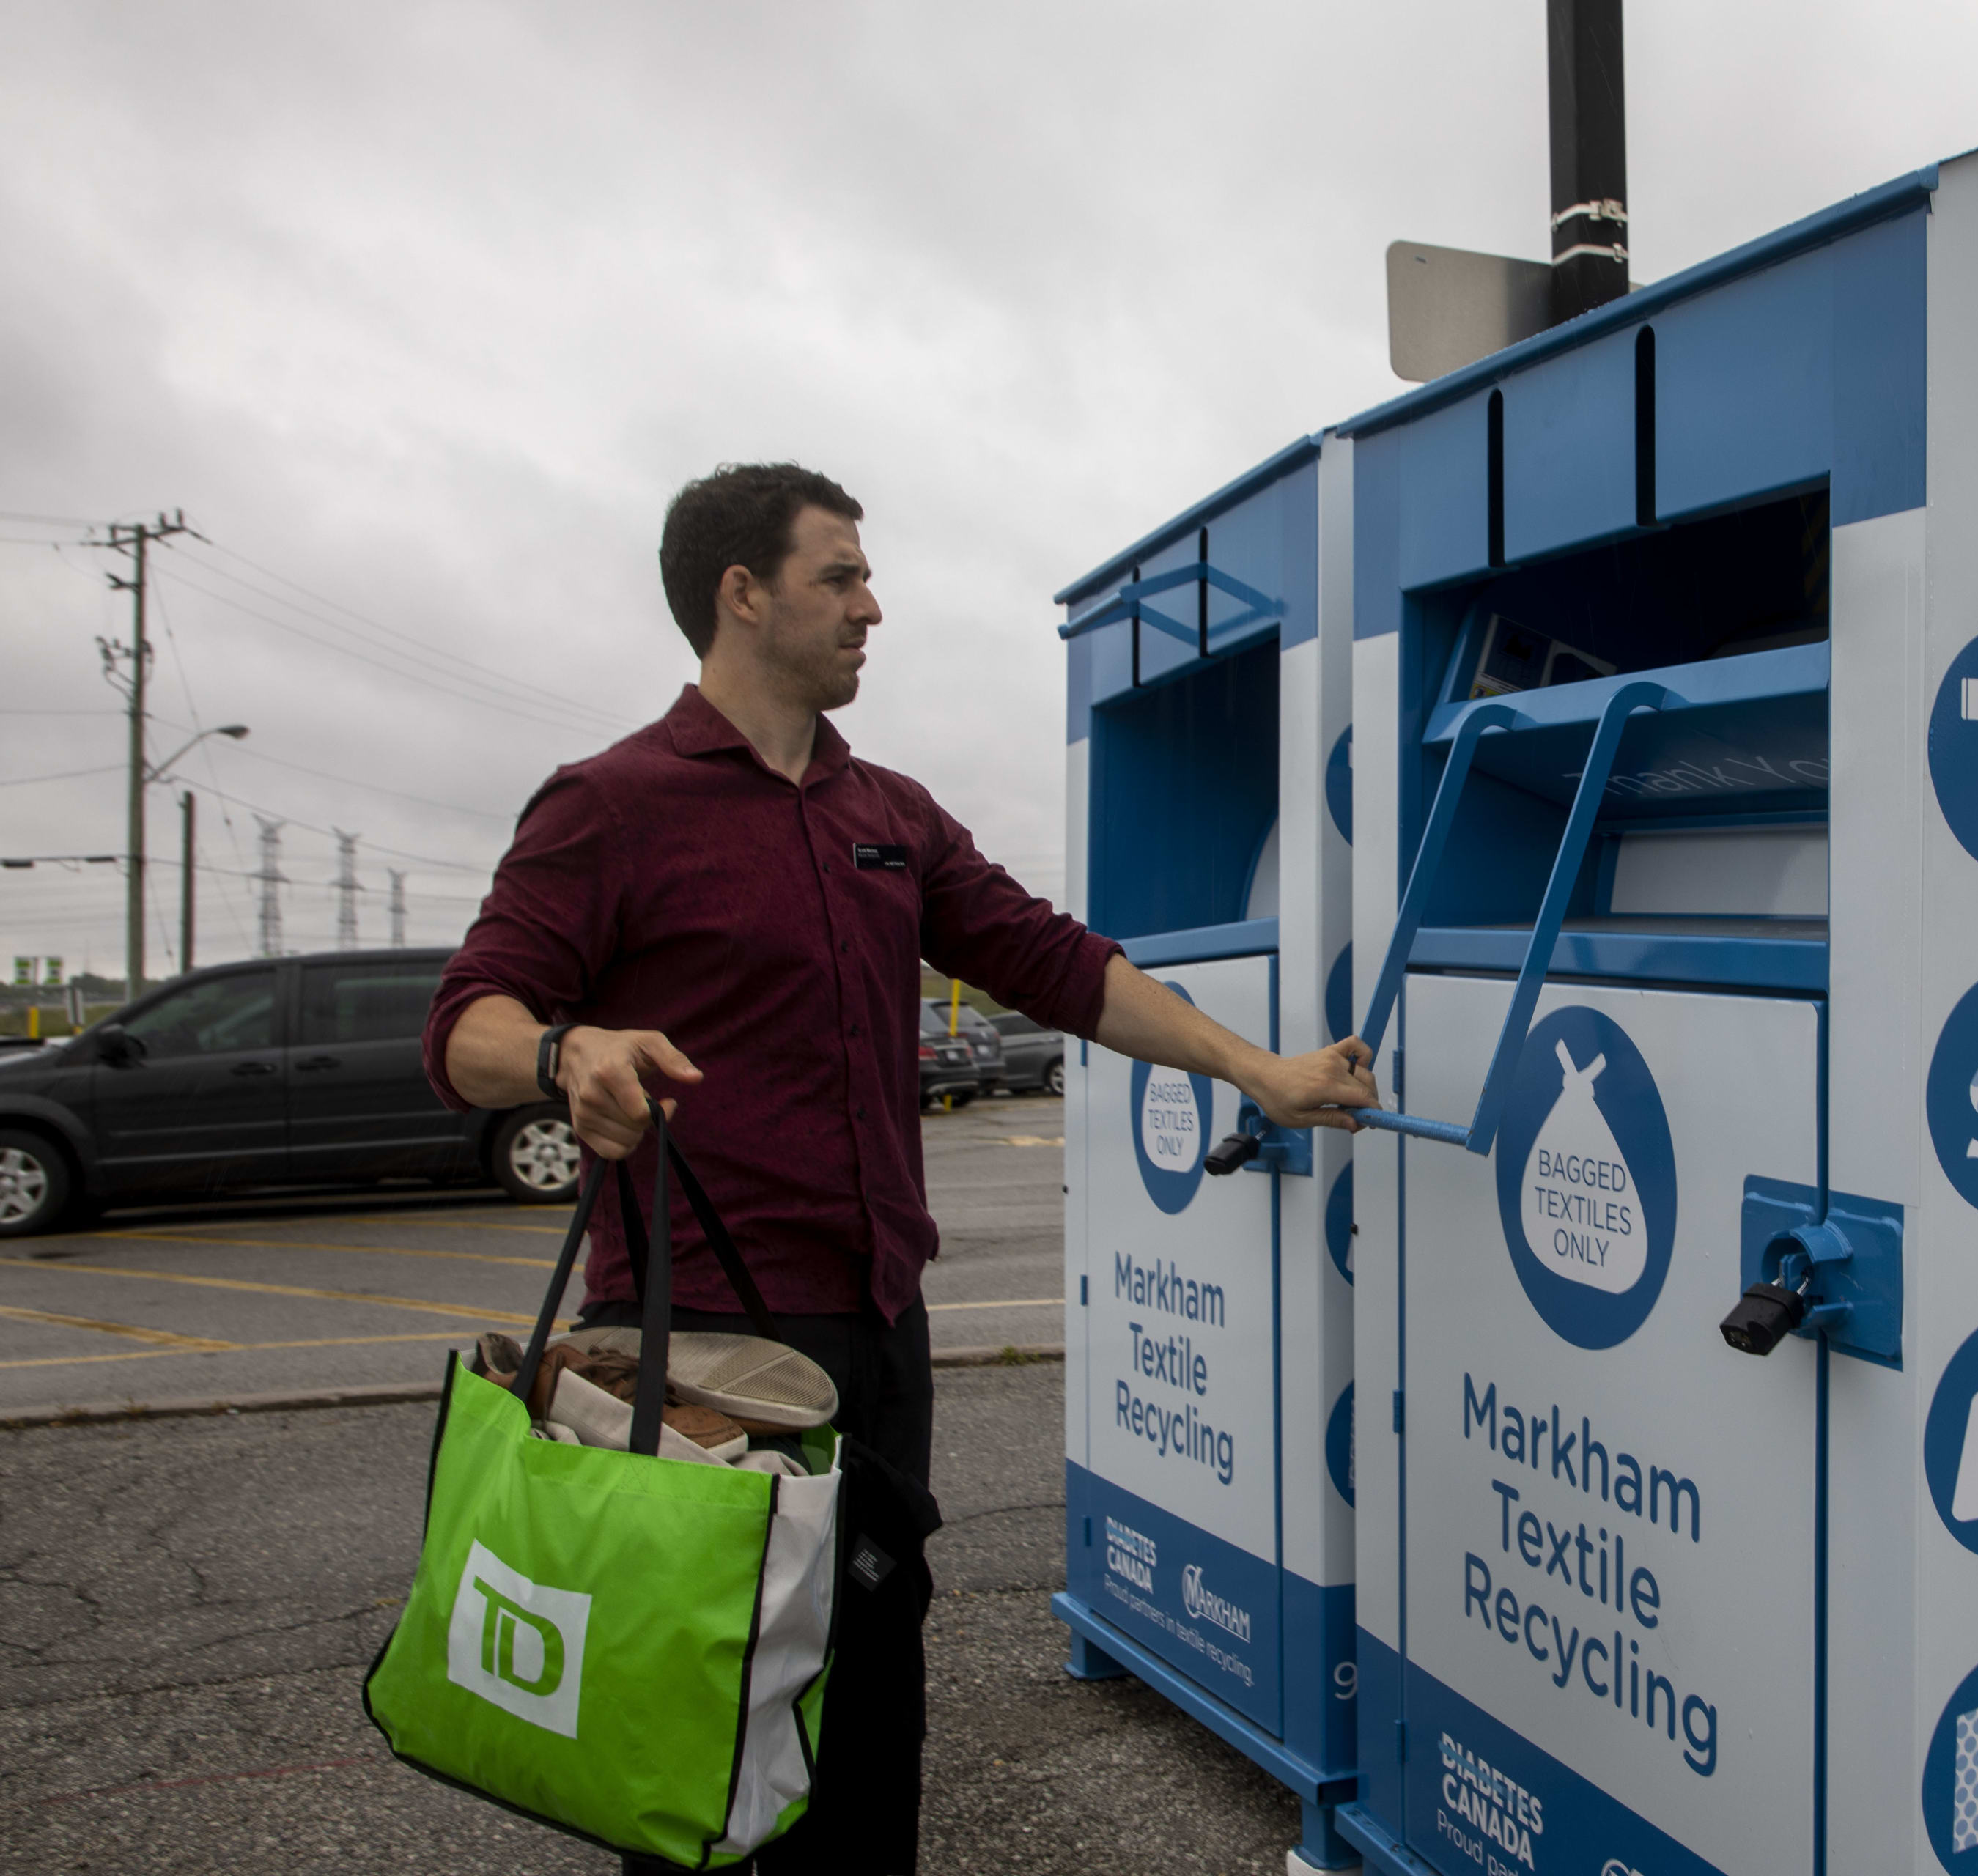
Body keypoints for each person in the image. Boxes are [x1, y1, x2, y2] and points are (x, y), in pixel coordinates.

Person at [423, 461, 1377, 1874]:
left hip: (877, 1329)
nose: (875, 607)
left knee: (872, 1684)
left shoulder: (892, 811)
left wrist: (1257, 1071)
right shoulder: (610, 804)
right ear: (743, 596)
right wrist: (569, 1052)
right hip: (703, 1346)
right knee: (705, 1718)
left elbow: (1055, 962)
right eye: (840, 577)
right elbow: (466, 1026)